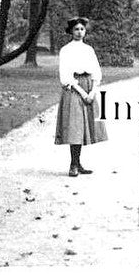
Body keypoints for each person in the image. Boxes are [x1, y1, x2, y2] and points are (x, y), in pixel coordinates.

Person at [55, 17, 107, 176]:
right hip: (74, 88)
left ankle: (78, 163)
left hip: (88, 84)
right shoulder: (66, 50)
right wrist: (83, 93)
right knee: (75, 126)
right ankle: (73, 165)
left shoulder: (88, 50)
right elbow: (66, 76)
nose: (79, 32)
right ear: (71, 31)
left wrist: (92, 91)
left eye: (82, 29)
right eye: (76, 29)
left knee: (84, 126)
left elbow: (96, 72)